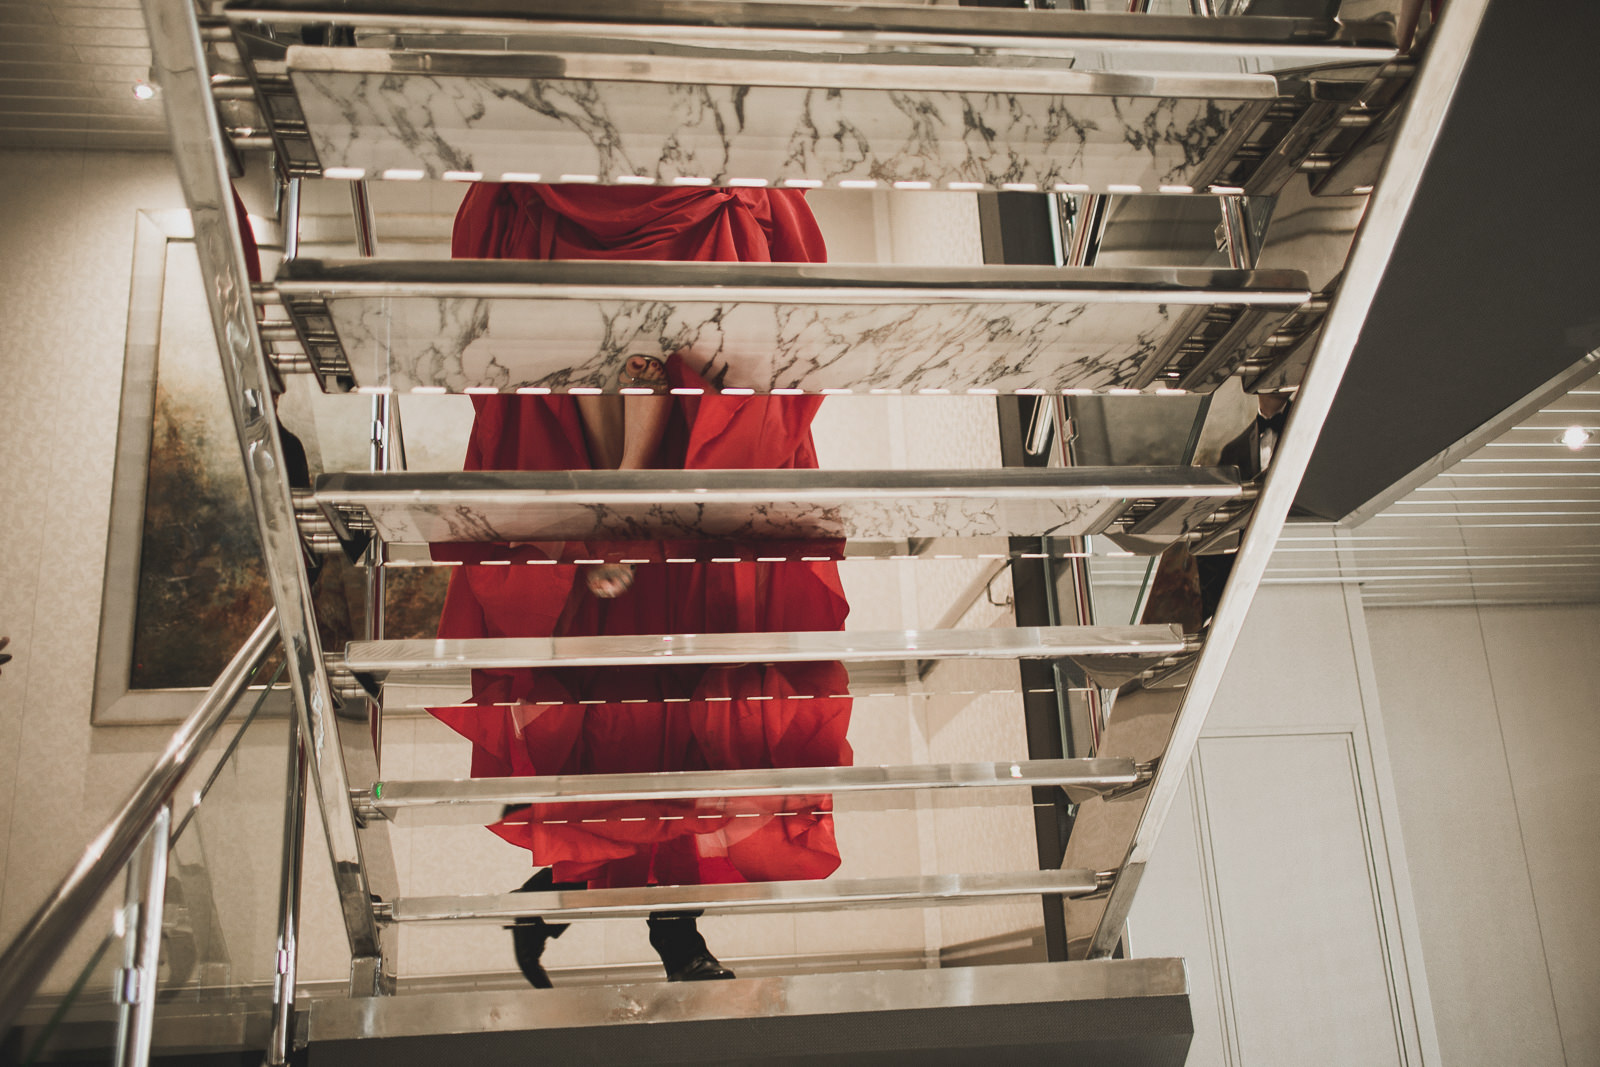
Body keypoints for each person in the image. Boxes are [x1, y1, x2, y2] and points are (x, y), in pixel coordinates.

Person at [430, 183, 854, 986]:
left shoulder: (569, 221)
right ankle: (614, 906)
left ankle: (618, 908)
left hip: (675, 486)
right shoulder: (709, 213)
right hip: (659, 484)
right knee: (645, 692)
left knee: (680, 693)